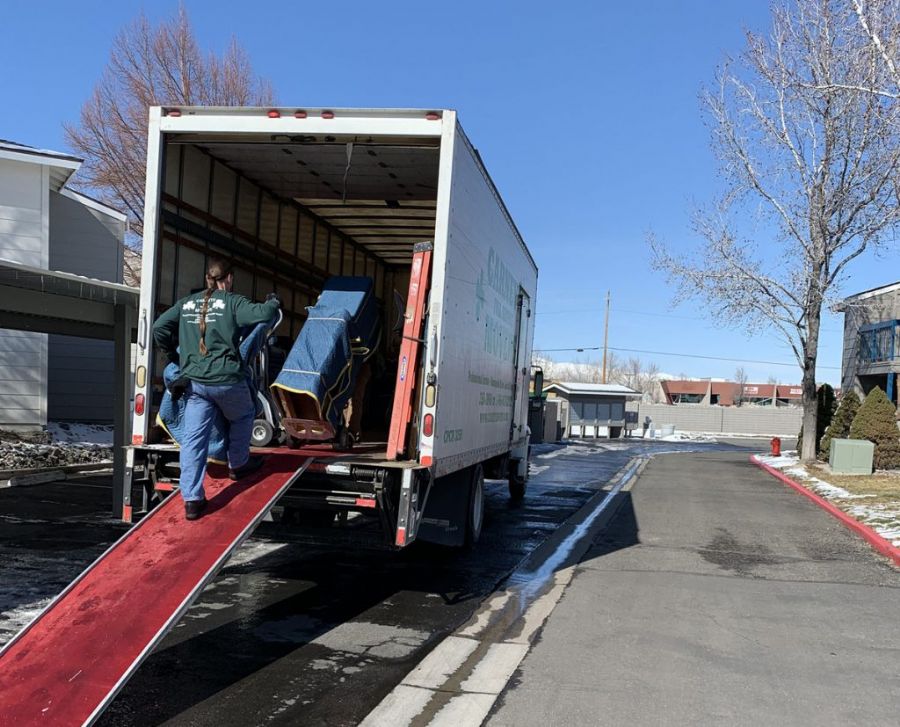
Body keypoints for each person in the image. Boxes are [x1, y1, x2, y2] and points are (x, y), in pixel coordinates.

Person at [153, 257, 281, 520]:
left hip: (196, 384)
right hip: (226, 381)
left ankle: (192, 500)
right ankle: (238, 464)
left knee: (193, 440)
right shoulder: (233, 302)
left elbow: (158, 327)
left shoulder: (187, 304)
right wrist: (273, 302)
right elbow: (264, 315)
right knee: (245, 414)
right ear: (229, 278)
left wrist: (174, 356)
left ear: (206, 279)